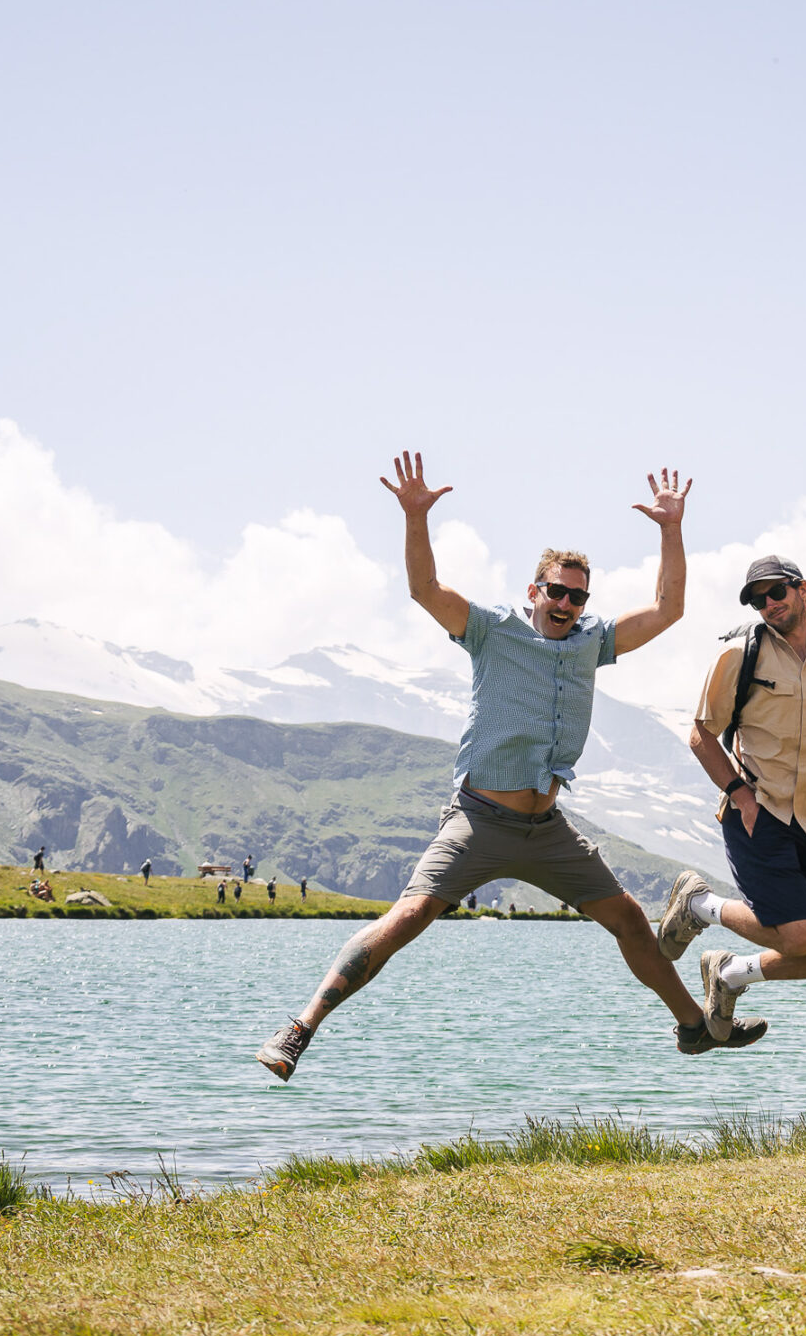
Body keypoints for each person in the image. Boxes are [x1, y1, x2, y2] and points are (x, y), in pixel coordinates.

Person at [254, 455, 730, 1082]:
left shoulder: (592, 642)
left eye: (577, 595)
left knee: (628, 920)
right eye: (555, 590)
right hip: (478, 822)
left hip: (548, 829)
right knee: (407, 918)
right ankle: (299, 1028)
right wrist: (416, 517)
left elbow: (669, 609)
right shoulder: (491, 630)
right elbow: (425, 590)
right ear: (534, 591)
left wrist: (671, 529)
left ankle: (694, 1027)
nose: (565, 602)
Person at [659, 555, 806, 1032]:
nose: (768, 604)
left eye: (777, 592)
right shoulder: (738, 655)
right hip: (758, 815)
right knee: (803, 936)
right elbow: (701, 735)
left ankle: (729, 974)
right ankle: (700, 905)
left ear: (803, 588)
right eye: (757, 599)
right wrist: (739, 796)